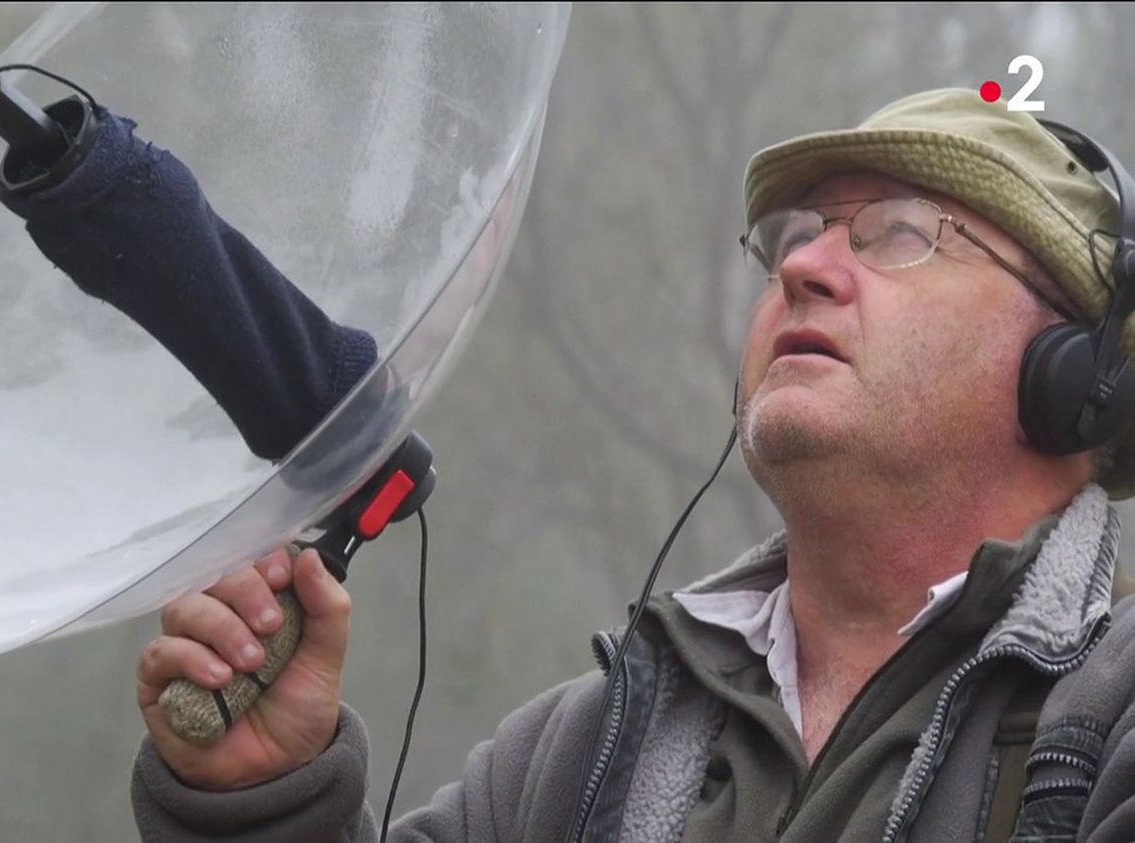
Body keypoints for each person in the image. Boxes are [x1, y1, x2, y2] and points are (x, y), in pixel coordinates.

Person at [128, 88, 1135, 841]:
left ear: (1076, 374)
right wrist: (265, 798)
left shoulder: (1113, 712)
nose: (804, 266)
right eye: (797, 235)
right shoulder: (579, 752)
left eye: (898, 236)